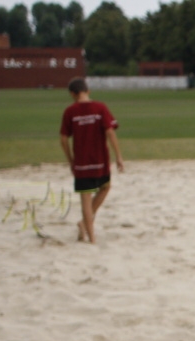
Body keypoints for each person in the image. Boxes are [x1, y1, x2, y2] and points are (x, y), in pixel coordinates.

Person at [59, 76, 124, 244]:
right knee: (105, 187)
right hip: (100, 159)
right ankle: (88, 231)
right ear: (88, 91)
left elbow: (63, 139)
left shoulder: (70, 111)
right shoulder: (100, 107)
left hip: (81, 163)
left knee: (85, 200)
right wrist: (118, 156)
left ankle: (90, 235)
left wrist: (70, 160)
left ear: (72, 94)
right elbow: (110, 132)